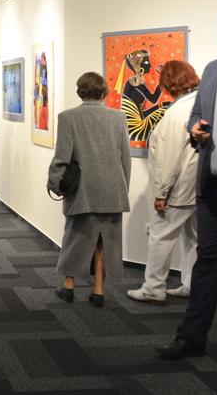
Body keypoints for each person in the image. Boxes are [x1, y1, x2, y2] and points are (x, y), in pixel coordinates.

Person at [157, 3, 217, 360]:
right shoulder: (211, 70)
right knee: (206, 264)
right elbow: (196, 114)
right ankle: (191, 339)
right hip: (212, 188)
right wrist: (195, 129)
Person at [47, 72, 131, 308]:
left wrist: (54, 183)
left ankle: (69, 285)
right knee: (105, 241)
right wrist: (123, 188)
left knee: (76, 237)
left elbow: (62, 158)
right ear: (104, 92)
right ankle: (98, 291)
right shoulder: (118, 117)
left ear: (79, 92)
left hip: (82, 190)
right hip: (112, 190)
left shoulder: (67, 117)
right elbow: (125, 159)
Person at [127, 60, 199, 305]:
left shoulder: (175, 114)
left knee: (160, 238)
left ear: (168, 83)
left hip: (177, 190)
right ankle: (192, 285)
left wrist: (161, 193)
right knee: (194, 239)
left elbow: (168, 159)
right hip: (197, 187)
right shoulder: (200, 105)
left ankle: (153, 289)